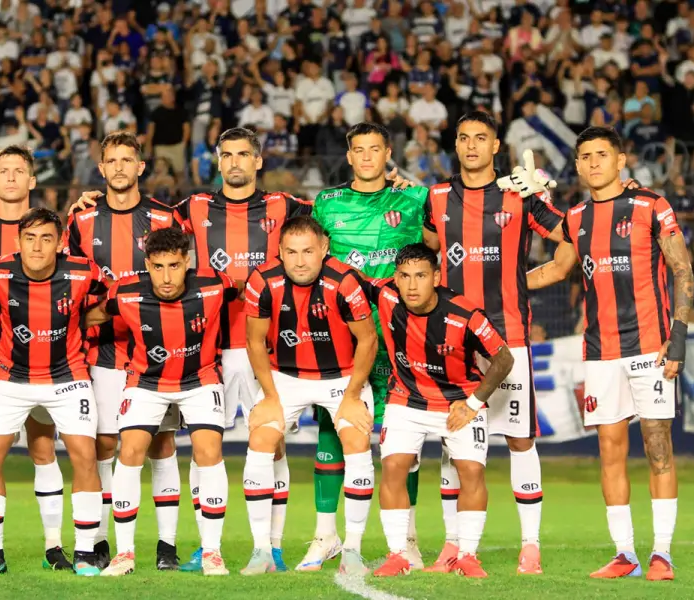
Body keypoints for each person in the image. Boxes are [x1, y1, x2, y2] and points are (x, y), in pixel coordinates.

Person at [72, 126, 312, 572]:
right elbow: (140, 211)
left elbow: (332, 214)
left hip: (267, 345)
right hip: (212, 349)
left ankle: (271, 545)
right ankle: (206, 546)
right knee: (207, 448)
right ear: (217, 161)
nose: (236, 162)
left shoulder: (286, 206)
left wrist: (394, 190)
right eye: (227, 155)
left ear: (259, 161)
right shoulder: (192, 209)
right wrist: (95, 198)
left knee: (271, 444)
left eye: (244, 154)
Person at [527, 126, 692, 581]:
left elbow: (682, 268)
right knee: (609, 450)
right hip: (600, 351)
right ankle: (625, 555)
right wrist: (501, 282)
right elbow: (556, 269)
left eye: (603, 154)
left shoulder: (651, 205)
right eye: (586, 156)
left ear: (621, 160)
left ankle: (662, 554)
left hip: (650, 347)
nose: (594, 162)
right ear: (577, 165)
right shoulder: (577, 217)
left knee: (658, 447)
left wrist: (677, 335)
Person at [422, 110, 565, 574]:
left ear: (496, 146)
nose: (471, 146)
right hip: (455, 341)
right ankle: (452, 545)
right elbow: (425, 247)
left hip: (510, 336)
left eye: (480, 138)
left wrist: (545, 193)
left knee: (520, 441)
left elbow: (570, 235)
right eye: (463, 138)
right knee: (453, 441)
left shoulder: (517, 195)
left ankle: (531, 545)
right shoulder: (438, 197)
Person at [305, 122, 428, 571]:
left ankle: (408, 539)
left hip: (399, 335)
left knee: (403, 441)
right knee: (333, 435)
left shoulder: (414, 199)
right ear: (350, 156)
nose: (368, 157)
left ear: (388, 152)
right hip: (342, 336)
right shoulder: (327, 203)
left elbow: (444, 240)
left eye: (375, 149)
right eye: (359, 150)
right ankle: (325, 535)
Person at [64, 131, 184, 571]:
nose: (118, 167)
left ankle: (166, 547)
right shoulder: (80, 221)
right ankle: (98, 540)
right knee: (104, 443)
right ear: (101, 168)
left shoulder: (165, 218)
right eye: (111, 160)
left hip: (158, 351)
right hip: (102, 352)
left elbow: (182, 277)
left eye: (126, 160)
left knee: (161, 444)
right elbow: (68, 281)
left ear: (141, 167)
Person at [89, 227, 238, 577]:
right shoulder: (124, 292)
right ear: (147, 264)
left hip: (200, 379)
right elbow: (94, 315)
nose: (167, 277)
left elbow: (247, 296)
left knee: (209, 451)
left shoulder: (216, 285)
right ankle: (124, 553)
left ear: (187, 261)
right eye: (158, 267)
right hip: (146, 381)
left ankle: (212, 552)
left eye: (174, 266)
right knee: (129, 452)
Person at [0, 207, 106, 576]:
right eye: (30, 238)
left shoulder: (81, 271)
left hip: (68, 375)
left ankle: (87, 553)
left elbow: (114, 298)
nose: (38, 246)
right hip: (10, 378)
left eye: (47, 238)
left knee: (84, 455)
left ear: (60, 243)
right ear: (18, 242)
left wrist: (90, 317)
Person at [0, 146, 71, 572]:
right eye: (3, 170)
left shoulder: (56, 231)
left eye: (19, 170)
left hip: (46, 363)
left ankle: (54, 546)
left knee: (44, 450)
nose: (11, 177)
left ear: (33, 181)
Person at [367, 243, 515, 579]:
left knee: (471, 473)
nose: (412, 285)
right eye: (404, 276)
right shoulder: (386, 296)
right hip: (406, 399)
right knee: (393, 467)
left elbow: (504, 358)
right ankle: (397, 554)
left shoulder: (465, 315)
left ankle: (467, 555)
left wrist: (474, 403)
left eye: (420, 276)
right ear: (395, 278)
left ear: (436, 276)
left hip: (458, 403)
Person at [241, 216, 377, 576]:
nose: (300, 261)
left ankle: (352, 550)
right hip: (284, 377)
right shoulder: (262, 282)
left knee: (356, 442)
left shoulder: (344, 282)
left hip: (343, 377)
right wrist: (269, 395)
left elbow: (368, 339)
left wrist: (351, 396)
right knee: (260, 441)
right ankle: (261, 552)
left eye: (308, 252)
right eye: (291, 252)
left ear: (324, 250)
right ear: (280, 252)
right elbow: (254, 341)